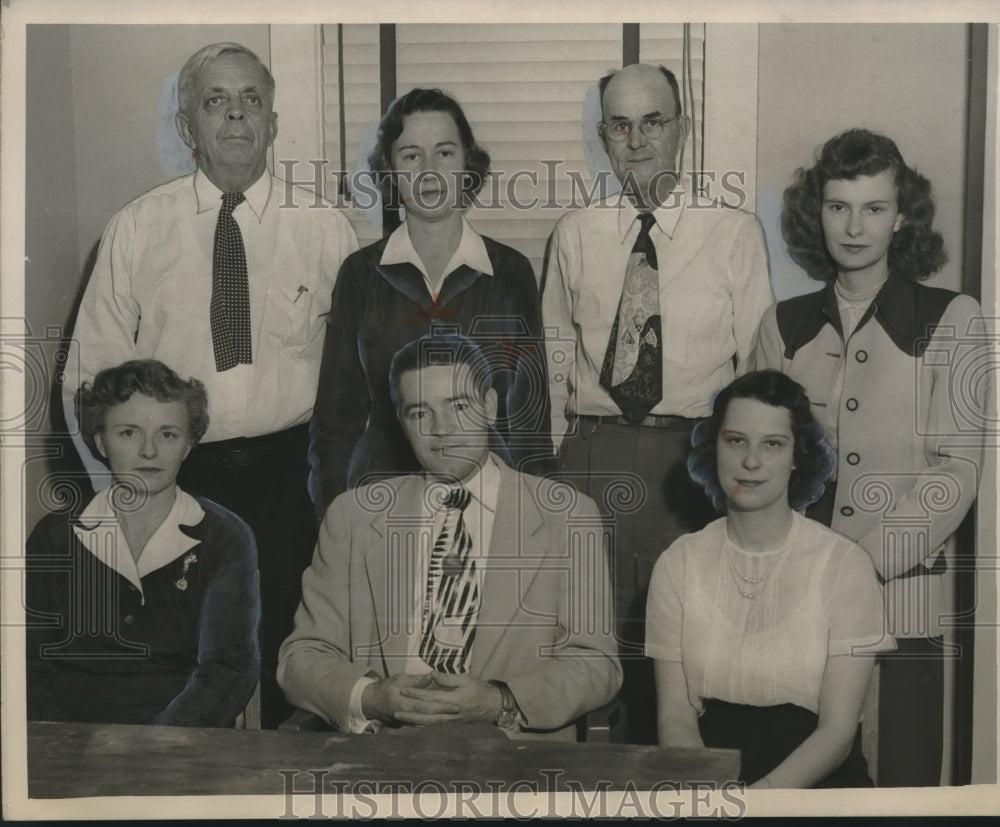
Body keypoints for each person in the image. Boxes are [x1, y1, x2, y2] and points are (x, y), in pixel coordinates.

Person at [65, 42, 359, 727]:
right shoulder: (137, 229)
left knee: (299, 664)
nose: (235, 116)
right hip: (177, 480)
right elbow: (90, 379)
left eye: (251, 99)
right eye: (215, 101)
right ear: (186, 126)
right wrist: (125, 500)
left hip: (296, 479)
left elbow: (359, 380)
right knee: (188, 669)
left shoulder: (325, 229)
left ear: (274, 121)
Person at [541, 62, 774, 742]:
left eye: (653, 122)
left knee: (686, 650)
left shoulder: (732, 233)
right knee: (586, 645)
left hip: (692, 460)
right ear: (603, 136)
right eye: (620, 125)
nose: (637, 140)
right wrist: (560, 467)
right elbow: (554, 363)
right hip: (593, 453)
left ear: (683, 129)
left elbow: (760, 373)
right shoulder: (575, 233)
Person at [755, 128, 985, 786]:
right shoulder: (783, 323)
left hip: (903, 607)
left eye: (874, 208)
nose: (854, 226)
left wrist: (857, 564)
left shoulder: (953, 319)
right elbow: (750, 463)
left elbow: (956, 474)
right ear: (816, 213)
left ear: (901, 214)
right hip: (791, 602)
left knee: (896, 782)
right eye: (838, 207)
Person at [280, 334, 621, 740]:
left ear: (491, 407)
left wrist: (500, 700)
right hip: (382, 760)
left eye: (459, 406)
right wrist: (371, 697)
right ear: (401, 424)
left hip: (514, 763)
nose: (442, 431)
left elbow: (596, 663)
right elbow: (301, 658)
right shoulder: (353, 516)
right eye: (420, 413)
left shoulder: (565, 516)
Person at [309, 87, 549, 521]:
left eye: (444, 153)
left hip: (490, 505)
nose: (430, 171)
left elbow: (530, 422)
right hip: (381, 501)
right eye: (411, 156)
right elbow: (335, 422)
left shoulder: (510, 272)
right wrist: (335, 521)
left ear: (467, 165)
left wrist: (535, 522)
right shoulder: (360, 275)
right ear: (391, 171)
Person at [647, 370, 893, 788]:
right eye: (736, 440)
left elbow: (836, 732)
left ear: (798, 455)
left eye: (773, 444)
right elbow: (675, 718)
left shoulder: (845, 565)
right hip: (706, 778)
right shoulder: (678, 564)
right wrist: (714, 797)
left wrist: (760, 802)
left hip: (817, 780)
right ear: (715, 447)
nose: (751, 462)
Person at [27, 360, 259, 726]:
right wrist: (68, 743)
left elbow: (228, 668)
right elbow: (26, 667)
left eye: (168, 434)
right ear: (100, 441)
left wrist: (155, 746)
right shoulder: (54, 537)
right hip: (67, 740)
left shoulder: (224, 537)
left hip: (177, 742)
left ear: (187, 445)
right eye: (129, 433)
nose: (149, 451)